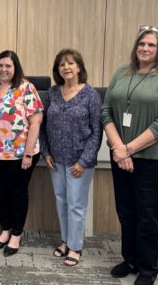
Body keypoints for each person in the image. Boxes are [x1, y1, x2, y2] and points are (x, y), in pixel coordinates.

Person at [101, 26, 158, 285]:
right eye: (142, 44)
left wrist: (128, 149)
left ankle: (149, 267)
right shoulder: (121, 72)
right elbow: (107, 112)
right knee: (126, 210)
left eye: (151, 45)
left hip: (155, 157)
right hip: (121, 154)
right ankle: (130, 259)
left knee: (147, 213)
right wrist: (118, 148)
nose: (145, 49)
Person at [0, 50, 43, 257]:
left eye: (8, 66)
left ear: (15, 68)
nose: (3, 69)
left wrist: (29, 154)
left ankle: (16, 233)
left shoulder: (26, 88)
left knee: (18, 192)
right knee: (0, 191)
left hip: (20, 153)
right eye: (0, 65)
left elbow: (36, 122)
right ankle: (5, 230)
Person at [40, 48, 101, 266]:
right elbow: (43, 126)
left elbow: (97, 131)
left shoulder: (91, 95)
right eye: (62, 64)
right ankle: (66, 240)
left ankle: (75, 247)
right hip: (55, 160)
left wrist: (84, 161)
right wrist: (45, 152)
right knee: (61, 201)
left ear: (79, 67)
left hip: (79, 163)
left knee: (76, 204)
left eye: (71, 63)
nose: (66, 67)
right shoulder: (52, 93)